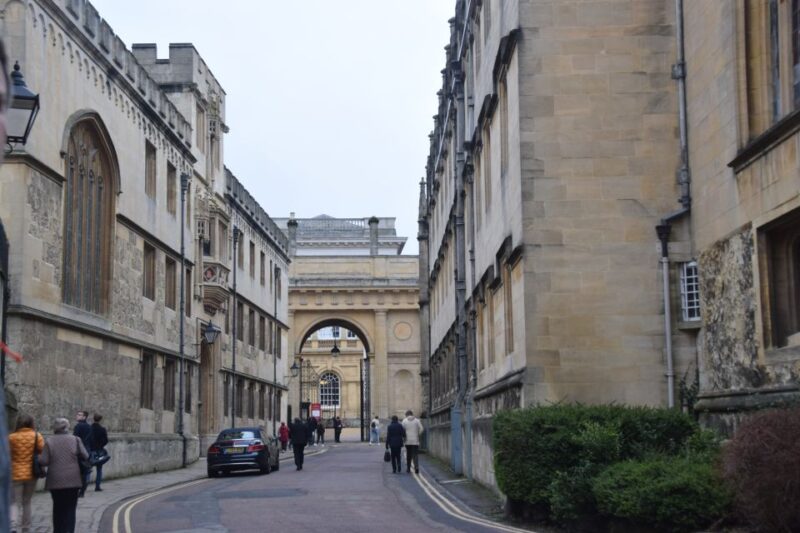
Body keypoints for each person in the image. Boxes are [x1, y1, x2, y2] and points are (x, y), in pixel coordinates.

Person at [40, 417, 88, 533]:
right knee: (71, 508)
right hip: (73, 480)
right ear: (67, 427)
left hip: (55, 480)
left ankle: (58, 530)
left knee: (57, 508)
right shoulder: (75, 440)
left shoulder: (49, 441)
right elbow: (86, 456)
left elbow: (44, 461)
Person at [8, 414, 44, 532]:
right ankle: (26, 527)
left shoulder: (11, 437)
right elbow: (42, 451)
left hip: (15, 473)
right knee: (27, 501)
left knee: (14, 502)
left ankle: (13, 526)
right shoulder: (36, 436)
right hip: (32, 473)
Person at [72, 411, 91, 496]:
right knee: (84, 472)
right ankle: (82, 491)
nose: (77, 416)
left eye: (79, 415)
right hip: (87, 451)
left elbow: (74, 439)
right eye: (77, 414)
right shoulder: (89, 427)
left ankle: (77, 490)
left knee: (77, 472)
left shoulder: (78, 426)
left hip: (79, 451)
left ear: (84, 417)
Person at [88, 414, 108, 492]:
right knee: (99, 469)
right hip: (99, 451)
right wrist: (100, 445)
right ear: (100, 420)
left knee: (88, 468)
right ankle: (97, 486)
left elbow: (87, 439)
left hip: (91, 450)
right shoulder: (102, 429)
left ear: (93, 419)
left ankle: (85, 485)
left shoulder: (89, 428)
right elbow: (106, 440)